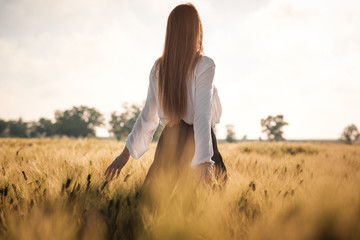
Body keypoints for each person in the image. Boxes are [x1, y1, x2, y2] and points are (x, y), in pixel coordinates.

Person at [104, 3, 227, 186]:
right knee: (213, 210)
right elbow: (202, 115)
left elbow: (147, 117)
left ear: (171, 32)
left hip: (169, 143)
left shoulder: (159, 67)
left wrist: (125, 154)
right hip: (199, 143)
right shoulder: (205, 65)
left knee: (151, 208)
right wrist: (203, 162)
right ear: (196, 30)